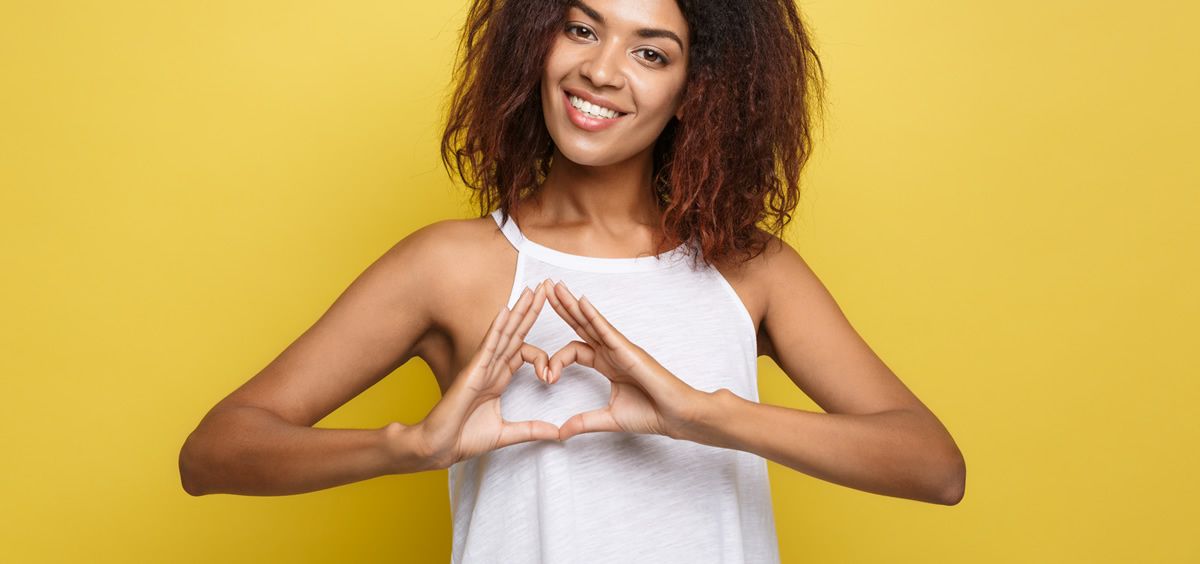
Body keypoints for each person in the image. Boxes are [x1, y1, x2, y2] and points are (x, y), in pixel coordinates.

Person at [179, 0, 966, 561]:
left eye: (650, 52)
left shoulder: (751, 270)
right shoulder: (449, 266)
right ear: (537, 40)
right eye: (582, 29)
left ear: (696, 91)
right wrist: (407, 447)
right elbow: (214, 452)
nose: (600, 70)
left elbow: (933, 467)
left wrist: (704, 414)